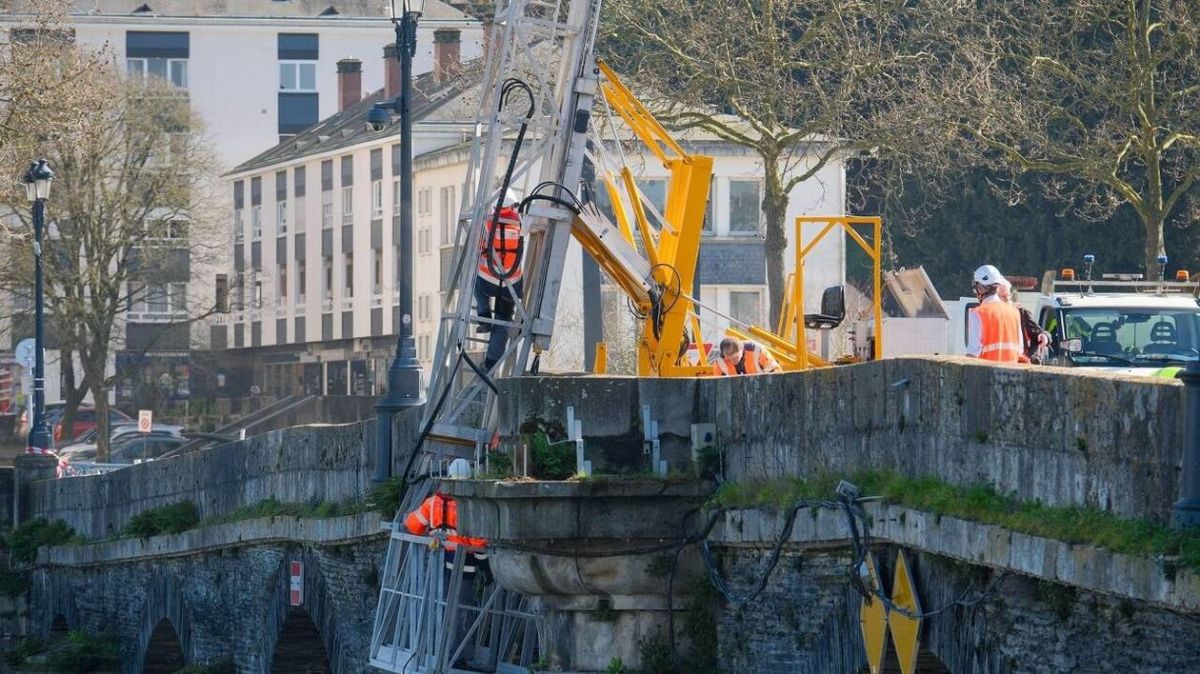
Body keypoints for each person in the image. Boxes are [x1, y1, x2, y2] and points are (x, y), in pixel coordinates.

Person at [404, 458, 492, 670]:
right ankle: (455, 658)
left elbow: (413, 526)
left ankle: (434, 651)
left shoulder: (432, 502)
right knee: (459, 613)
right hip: (464, 568)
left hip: (438, 564)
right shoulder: (468, 507)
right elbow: (478, 542)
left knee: (439, 608)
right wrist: (487, 568)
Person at [474, 189, 525, 371]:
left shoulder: (486, 224)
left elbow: (476, 248)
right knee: (504, 319)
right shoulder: (519, 223)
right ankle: (491, 363)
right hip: (511, 283)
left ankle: (484, 316)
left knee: (475, 284)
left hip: (489, 278)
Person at [966, 265, 1025, 363]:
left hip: (987, 375)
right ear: (997, 288)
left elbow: (972, 353)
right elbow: (1020, 350)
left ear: (980, 288)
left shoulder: (978, 313)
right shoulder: (1014, 312)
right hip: (1013, 374)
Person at [997, 278, 1049, 363]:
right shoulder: (992, 316)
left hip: (1022, 363)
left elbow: (1038, 332)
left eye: (1008, 295)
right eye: (1003, 297)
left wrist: (1044, 336)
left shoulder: (1022, 313)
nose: (1006, 299)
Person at [711, 336, 781, 376]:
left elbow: (775, 372)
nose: (733, 361)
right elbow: (720, 387)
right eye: (729, 359)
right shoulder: (719, 363)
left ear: (742, 349)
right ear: (723, 354)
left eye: (736, 358)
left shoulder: (757, 351)